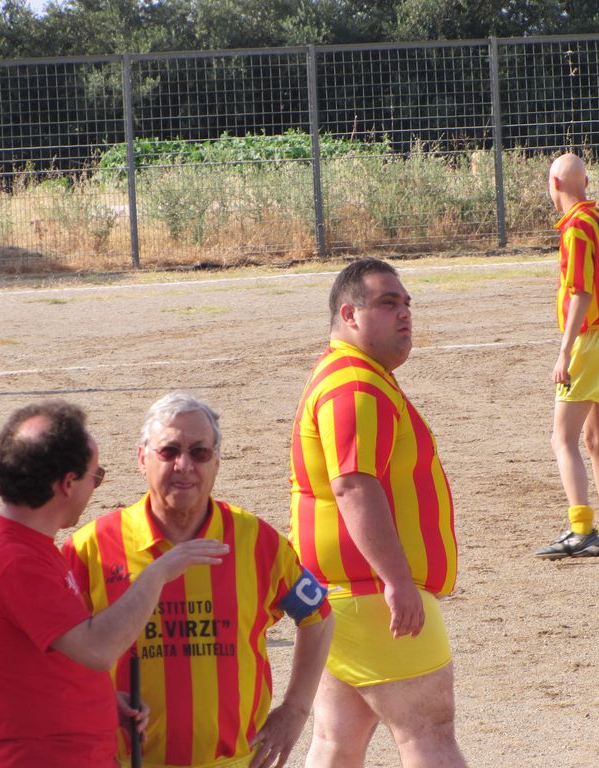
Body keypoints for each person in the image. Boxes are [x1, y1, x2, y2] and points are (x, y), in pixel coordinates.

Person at [63, 391, 333, 768]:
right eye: (169, 451)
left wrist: (296, 710)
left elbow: (318, 615)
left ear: (217, 462)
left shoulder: (256, 540)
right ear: (142, 459)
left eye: (200, 452)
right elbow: (52, 650)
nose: (184, 465)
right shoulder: (91, 546)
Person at [0, 400, 227, 768]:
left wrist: (102, 701)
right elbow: (97, 648)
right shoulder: (18, 561)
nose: (95, 488)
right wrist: (158, 573)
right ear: (67, 484)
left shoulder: (26, 546)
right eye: (95, 477)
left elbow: (57, 650)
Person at [289, 257, 465, 767]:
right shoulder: (355, 386)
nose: (404, 313)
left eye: (406, 303)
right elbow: (353, 486)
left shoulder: (351, 377)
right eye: (388, 304)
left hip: (339, 595)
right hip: (370, 596)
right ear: (349, 315)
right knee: (428, 733)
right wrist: (397, 580)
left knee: (337, 741)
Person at [534, 152, 599, 560]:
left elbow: (582, 292)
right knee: (597, 440)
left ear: (555, 184)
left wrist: (564, 352)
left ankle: (580, 529)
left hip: (589, 341)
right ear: (585, 183)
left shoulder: (575, 228)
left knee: (563, 439)